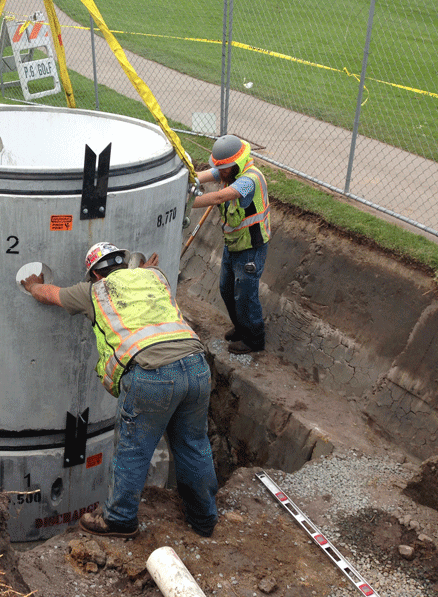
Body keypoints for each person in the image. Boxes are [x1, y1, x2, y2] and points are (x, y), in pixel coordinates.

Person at [21, 242, 218, 539]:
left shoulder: (94, 291)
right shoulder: (154, 276)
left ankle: (120, 519)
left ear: (94, 274)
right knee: (194, 443)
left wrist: (33, 284)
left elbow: (49, 294)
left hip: (152, 374)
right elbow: (145, 273)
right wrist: (144, 267)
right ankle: (204, 518)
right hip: (197, 365)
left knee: (133, 450)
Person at [193, 135, 271, 354]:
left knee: (246, 294)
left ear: (235, 164)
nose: (221, 174)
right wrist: (186, 181)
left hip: (251, 247)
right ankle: (241, 327)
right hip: (234, 243)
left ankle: (254, 339)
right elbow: (204, 176)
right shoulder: (230, 168)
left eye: (225, 169)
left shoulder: (249, 180)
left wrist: (186, 201)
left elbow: (220, 197)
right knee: (226, 289)